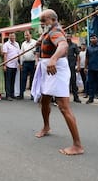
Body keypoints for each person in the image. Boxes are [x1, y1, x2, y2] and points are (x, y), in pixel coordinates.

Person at [32, 9, 83, 155]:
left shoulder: (56, 32)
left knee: (63, 107)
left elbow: (63, 46)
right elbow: (42, 44)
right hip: (46, 69)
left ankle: (77, 145)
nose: (41, 23)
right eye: (41, 21)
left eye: (44, 20)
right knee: (45, 100)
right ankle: (46, 127)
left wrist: (53, 59)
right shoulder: (49, 31)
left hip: (56, 69)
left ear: (53, 19)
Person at [84, 34, 98, 105]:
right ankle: (91, 98)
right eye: (91, 38)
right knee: (91, 83)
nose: (93, 39)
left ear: (97, 39)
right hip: (91, 68)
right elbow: (87, 58)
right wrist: (86, 67)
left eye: (94, 38)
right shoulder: (88, 48)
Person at [2, 33, 20, 100]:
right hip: (8, 65)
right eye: (11, 36)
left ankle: (12, 94)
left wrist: (19, 63)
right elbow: (5, 55)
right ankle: (8, 95)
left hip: (15, 65)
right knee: (8, 81)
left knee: (13, 80)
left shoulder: (17, 44)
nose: (12, 38)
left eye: (14, 36)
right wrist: (5, 65)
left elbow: (18, 54)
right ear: (9, 37)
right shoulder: (6, 44)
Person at [20, 30, 37, 100]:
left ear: (30, 35)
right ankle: (21, 94)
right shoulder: (23, 44)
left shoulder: (35, 42)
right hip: (25, 63)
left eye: (27, 35)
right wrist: (21, 63)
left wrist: (36, 63)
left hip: (33, 63)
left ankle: (32, 94)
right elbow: (21, 54)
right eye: (25, 35)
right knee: (23, 78)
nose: (26, 37)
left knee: (33, 79)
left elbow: (37, 54)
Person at [66, 33, 81, 103]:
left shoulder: (74, 45)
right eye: (66, 36)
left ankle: (76, 97)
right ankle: (65, 98)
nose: (68, 37)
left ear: (71, 37)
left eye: (69, 36)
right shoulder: (62, 45)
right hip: (64, 66)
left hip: (72, 66)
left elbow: (78, 55)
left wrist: (78, 65)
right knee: (65, 82)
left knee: (73, 81)